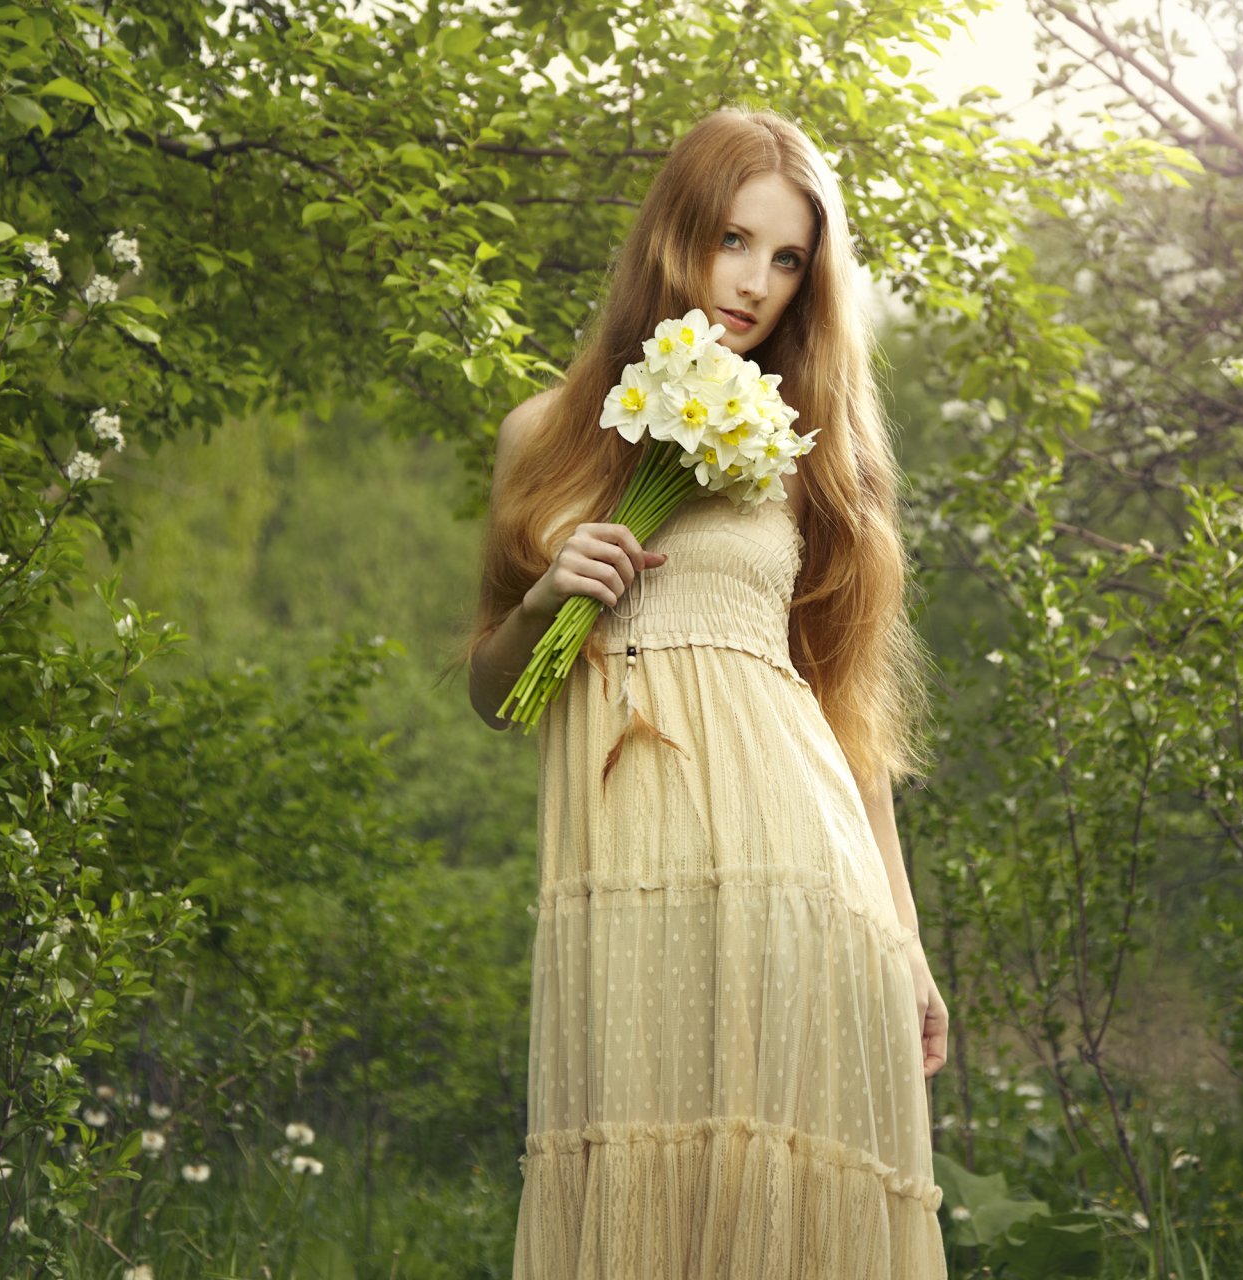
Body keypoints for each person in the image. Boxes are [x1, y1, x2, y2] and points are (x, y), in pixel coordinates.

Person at [459, 106, 950, 1277]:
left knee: (783, 1211)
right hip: (625, 881)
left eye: (788, 261)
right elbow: (495, 694)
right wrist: (541, 604)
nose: (757, 286)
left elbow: (848, 718)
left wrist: (908, 938)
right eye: (736, 241)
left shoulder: (813, 451)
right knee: (636, 1190)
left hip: (797, 874)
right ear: (674, 234)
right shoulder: (543, 436)